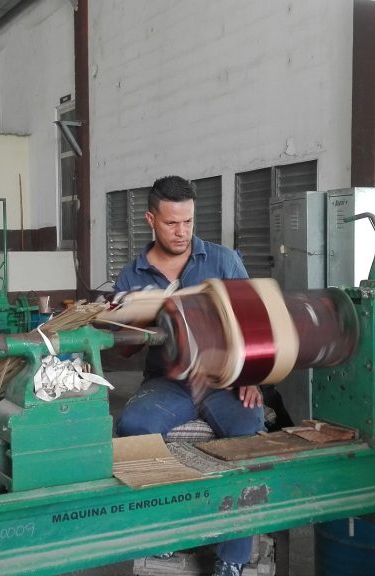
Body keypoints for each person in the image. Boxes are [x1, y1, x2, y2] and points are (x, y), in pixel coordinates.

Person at [113, 175, 262, 576]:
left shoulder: (223, 261)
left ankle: (231, 559)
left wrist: (250, 373)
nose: (182, 233)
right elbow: (124, 347)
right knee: (134, 425)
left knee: (248, 425)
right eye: (171, 223)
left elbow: (252, 321)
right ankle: (165, 535)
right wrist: (129, 317)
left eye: (188, 222)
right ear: (151, 219)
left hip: (221, 378)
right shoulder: (133, 275)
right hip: (167, 383)